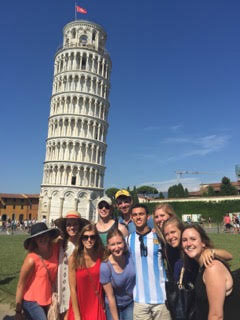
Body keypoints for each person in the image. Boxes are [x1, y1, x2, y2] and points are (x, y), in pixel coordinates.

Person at [181, 224, 240, 320]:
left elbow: (216, 316)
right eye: (184, 240)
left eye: (193, 239)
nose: (188, 243)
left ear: (203, 243)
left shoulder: (212, 268)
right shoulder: (199, 267)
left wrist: (212, 251)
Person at [127, 204, 171, 320]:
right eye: (135, 215)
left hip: (161, 299)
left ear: (148, 217)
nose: (138, 217)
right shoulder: (128, 240)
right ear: (131, 218)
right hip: (139, 300)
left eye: (141, 214)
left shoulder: (160, 237)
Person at [163, 216, 232, 283]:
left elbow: (229, 256)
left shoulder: (197, 250)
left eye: (173, 232)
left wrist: (210, 251)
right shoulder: (172, 252)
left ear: (181, 231)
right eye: (166, 234)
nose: (170, 236)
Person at [15, 222, 60, 320]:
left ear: (49, 236)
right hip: (31, 301)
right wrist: (18, 311)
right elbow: (21, 284)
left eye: (44, 235)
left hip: (47, 298)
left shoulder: (55, 248)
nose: (42, 238)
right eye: (38, 236)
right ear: (34, 240)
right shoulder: (31, 259)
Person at [55, 210, 89, 320]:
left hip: (75, 286)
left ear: (80, 226)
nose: (72, 227)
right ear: (65, 227)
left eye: (75, 224)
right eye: (69, 224)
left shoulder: (83, 244)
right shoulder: (60, 243)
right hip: (60, 284)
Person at [68, 224, 106, 320]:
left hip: (96, 305)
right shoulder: (74, 258)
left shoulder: (101, 256)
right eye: (85, 237)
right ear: (81, 239)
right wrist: (77, 316)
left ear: (96, 238)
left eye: (92, 237)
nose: (89, 240)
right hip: (79, 306)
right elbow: (72, 289)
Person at [100, 229, 135, 320]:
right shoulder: (105, 267)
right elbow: (110, 296)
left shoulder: (131, 257)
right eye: (113, 244)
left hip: (130, 303)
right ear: (108, 247)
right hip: (113, 305)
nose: (117, 247)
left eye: (119, 243)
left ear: (124, 243)